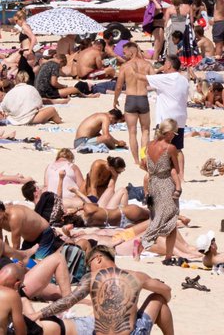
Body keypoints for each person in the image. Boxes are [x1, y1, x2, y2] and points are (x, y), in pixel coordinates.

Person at [33, 243, 174, 335]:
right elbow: (167, 291)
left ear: (98, 258)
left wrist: (39, 314)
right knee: (158, 298)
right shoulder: (137, 276)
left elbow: (68, 301)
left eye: (89, 265)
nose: (90, 269)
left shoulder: (91, 277)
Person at [141, 119, 183, 261]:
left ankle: (168, 256)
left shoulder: (149, 145)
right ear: (168, 133)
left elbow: (145, 165)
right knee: (169, 219)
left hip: (153, 184)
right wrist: (178, 186)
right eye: (174, 133)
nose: (174, 136)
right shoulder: (170, 148)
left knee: (159, 218)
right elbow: (176, 169)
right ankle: (143, 243)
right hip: (166, 185)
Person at [113, 43, 152, 168]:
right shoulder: (147, 65)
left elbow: (119, 86)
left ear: (131, 51)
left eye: (125, 52)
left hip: (130, 99)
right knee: (145, 131)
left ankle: (136, 160)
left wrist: (115, 99)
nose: (124, 55)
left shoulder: (125, 66)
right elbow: (155, 81)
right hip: (143, 98)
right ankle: (143, 157)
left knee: (132, 132)